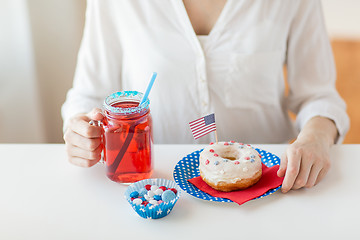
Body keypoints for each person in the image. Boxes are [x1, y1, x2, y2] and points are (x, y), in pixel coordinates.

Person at [62, 0, 349, 193]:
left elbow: (318, 95)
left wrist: (316, 137)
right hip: (157, 190)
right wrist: (80, 130)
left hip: (270, 189)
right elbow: (88, 95)